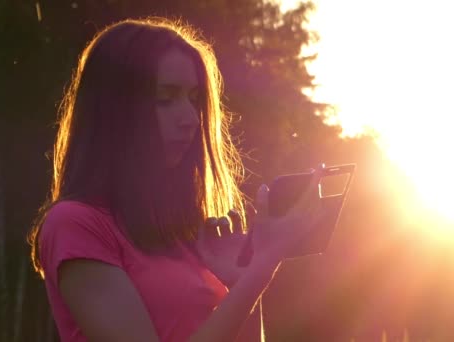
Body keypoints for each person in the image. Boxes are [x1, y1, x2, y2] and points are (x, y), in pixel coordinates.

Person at [29, 17, 324, 342]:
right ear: (115, 110)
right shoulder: (75, 226)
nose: (189, 118)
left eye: (195, 99)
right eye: (166, 98)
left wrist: (241, 283)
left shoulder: (184, 233)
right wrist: (262, 267)